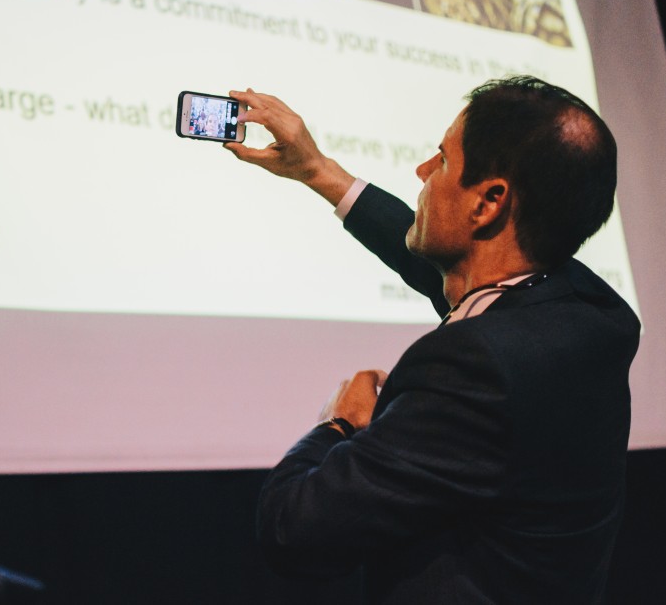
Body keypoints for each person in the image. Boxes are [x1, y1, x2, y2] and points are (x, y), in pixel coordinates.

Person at [222, 76, 641, 604]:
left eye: (441, 160)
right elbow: (443, 262)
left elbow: (293, 530)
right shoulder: (589, 312)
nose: (422, 171)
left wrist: (340, 424)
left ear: (489, 202)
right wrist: (318, 170)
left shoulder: (474, 366)